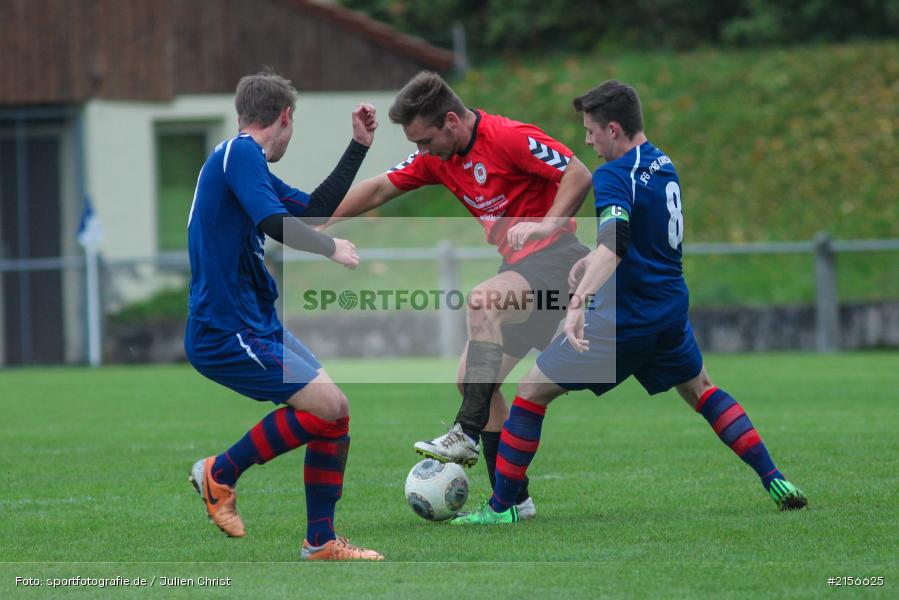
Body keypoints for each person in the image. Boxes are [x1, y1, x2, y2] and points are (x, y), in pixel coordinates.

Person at [453, 80, 808, 525]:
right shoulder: (662, 161)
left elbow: (615, 240)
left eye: (590, 131)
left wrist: (579, 302)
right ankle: (774, 478)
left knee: (529, 393)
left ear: (613, 129)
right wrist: (590, 266)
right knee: (702, 390)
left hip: (626, 317)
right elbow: (632, 240)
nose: (587, 140)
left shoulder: (613, 175)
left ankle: (502, 508)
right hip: (670, 307)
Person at [328, 71, 594, 518]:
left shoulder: (508, 137)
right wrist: (313, 219)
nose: (421, 151)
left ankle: (464, 433)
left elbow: (579, 174)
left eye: (424, 140)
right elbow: (377, 189)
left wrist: (548, 224)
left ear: (451, 121)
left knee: (482, 301)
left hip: (558, 261)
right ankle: (513, 502)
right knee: (471, 380)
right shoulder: (437, 159)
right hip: (520, 269)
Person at [184, 70, 384, 560]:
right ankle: (221, 472)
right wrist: (328, 249)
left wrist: (357, 147)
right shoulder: (240, 154)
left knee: (335, 412)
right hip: (226, 328)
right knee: (324, 407)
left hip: (255, 324)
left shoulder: (246, 165)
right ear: (285, 117)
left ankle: (320, 542)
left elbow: (312, 212)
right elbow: (277, 225)